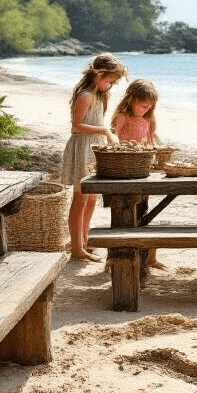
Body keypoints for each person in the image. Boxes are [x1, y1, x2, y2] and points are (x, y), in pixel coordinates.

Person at [61, 53, 127, 261]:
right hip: (82, 148)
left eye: (113, 83)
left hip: (95, 148)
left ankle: (85, 239)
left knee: (92, 198)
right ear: (98, 74)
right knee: (80, 198)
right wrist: (105, 131)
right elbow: (76, 125)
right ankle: (76, 248)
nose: (110, 85)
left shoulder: (99, 94)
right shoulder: (85, 95)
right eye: (109, 80)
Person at [111, 78, 166, 269]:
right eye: (142, 106)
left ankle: (149, 257)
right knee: (123, 215)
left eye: (149, 107)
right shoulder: (122, 117)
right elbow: (111, 140)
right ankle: (115, 256)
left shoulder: (148, 120)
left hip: (142, 171)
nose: (145, 110)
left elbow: (151, 141)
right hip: (124, 171)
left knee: (145, 212)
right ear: (131, 99)